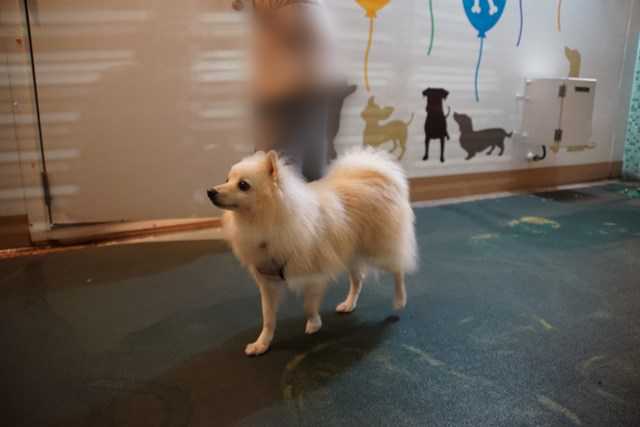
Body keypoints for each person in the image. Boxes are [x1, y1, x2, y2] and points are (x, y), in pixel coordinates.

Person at [252, 0, 340, 181]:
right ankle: (309, 208)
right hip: (317, 79)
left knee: (275, 172)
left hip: (288, 86)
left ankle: (287, 209)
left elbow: (302, 26)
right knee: (309, 166)